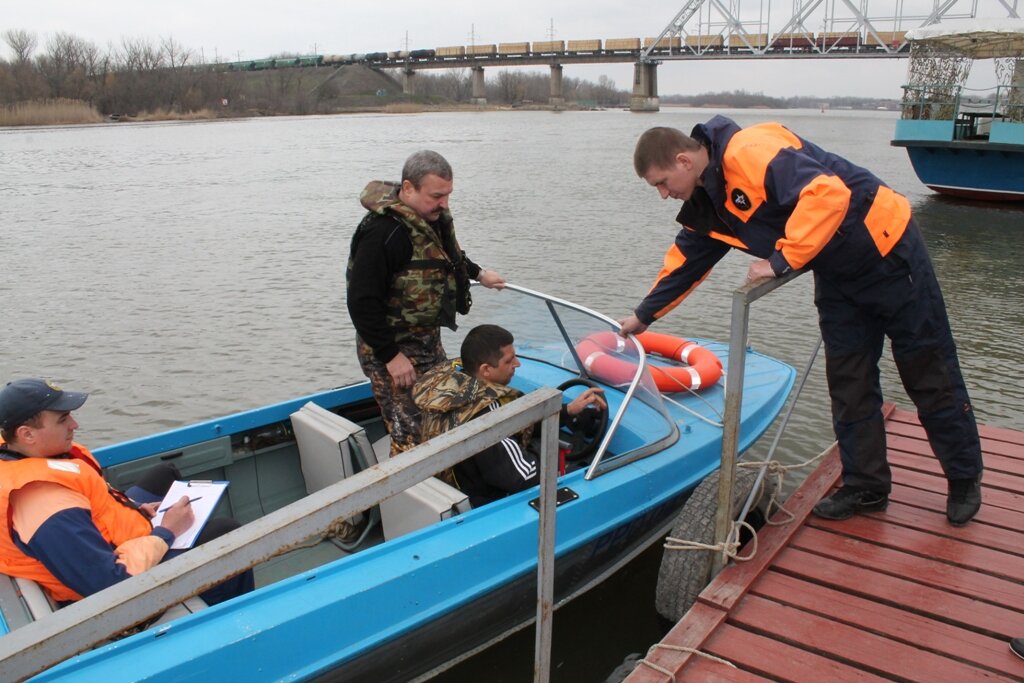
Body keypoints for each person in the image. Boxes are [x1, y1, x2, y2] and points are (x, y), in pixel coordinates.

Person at [619, 119, 983, 526]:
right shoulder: (707, 198)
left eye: (662, 183)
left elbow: (827, 194)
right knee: (849, 382)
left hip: (888, 250)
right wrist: (643, 315)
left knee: (927, 371)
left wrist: (780, 261)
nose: (664, 195)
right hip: (836, 271)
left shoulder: (750, 151)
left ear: (684, 160)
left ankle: (964, 477)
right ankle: (866, 486)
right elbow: (687, 260)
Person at [0, 378, 253, 607]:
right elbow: (110, 585)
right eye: (63, 419)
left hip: (109, 541)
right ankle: (228, 613)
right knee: (225, 533)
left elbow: (96, 501)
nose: (74, 424)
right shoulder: (44, 504)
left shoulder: (24, 453)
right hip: (121, 591)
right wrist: (166, 533)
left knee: (164, 473)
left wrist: (134, 508)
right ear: (27, 434)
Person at [347, 150, 506, 455]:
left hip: (427, 343)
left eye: (448, 195)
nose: (444, 204)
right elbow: (360, 301)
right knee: (412, 435)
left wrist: (480, 274)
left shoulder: (429, 218)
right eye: (437, 195)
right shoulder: (382, 233)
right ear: (408, 188)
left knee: (442, 415)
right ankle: (401, 495)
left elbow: (448, 257)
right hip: (389, 349)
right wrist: (391, 357)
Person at [412, 324, 606, 508]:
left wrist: (566, 411)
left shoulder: (453, 391)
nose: (517, 363)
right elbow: (525, 476)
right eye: (509, 360)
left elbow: (514, 419)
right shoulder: (485, 417)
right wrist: (552, 451)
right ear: (486, 369)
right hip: (483, 504)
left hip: (452, 485)